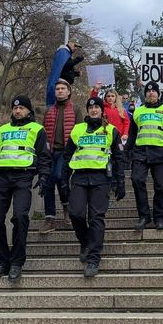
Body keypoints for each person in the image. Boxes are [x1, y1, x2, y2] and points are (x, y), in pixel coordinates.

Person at [0, 95, 52, 282]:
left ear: (29, 110)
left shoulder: (37, 129)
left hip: (23, 177)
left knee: (20, 217)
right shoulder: (1, 130)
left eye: (22, 108)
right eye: (15, 108)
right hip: (1, 179)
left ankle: (17, 262)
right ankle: (2, 262)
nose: (17, 111)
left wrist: (43, 176)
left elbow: (44, 156)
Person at [64, 97, 125, 277]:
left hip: (101, 179)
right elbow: (67, 156)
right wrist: (63, 181)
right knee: (76, 214)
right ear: (87, 111)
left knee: (96, 218)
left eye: (97, 107)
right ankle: (85, 242)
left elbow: (119, 159)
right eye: (91, 108)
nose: (94, 110)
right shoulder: (77, 130)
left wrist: (120, 182)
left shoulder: (111, 130)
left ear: (101, 110)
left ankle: (93, 259)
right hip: (79, 178)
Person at [126, 81, 163, 230]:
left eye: (153, 91)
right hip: (140, 152)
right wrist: (126, 151)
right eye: (148, 91)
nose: (150, 93)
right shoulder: (138, 111)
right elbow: (132, 134)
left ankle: (160, 217)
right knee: (136, 180)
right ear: (145, 94)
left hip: (160, 153)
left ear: (158, 94)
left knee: (160, 186)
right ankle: (144, 216)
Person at [40, 79, 78, 233]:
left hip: (66, 151)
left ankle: (67, 206)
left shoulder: (75, 109)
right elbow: (43, 130)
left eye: (63, 88)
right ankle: (50, 218)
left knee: (59, 177)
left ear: (68, 91)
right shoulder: (49, 110)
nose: (60, 91)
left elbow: (80, 130)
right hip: (50, 152)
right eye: (57, 89)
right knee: (48, 183)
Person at [46, 40, 84, 106]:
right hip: (62, 83)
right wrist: (78, 59)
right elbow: (66, 65)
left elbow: (64, 70)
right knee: (61, 105)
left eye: (77, 47)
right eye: (75, 46)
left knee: (64, 106)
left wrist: (76, 74)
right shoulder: (63, 52)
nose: (76, 48)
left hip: (65, 83)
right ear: (70, 43)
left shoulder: (67, 54)